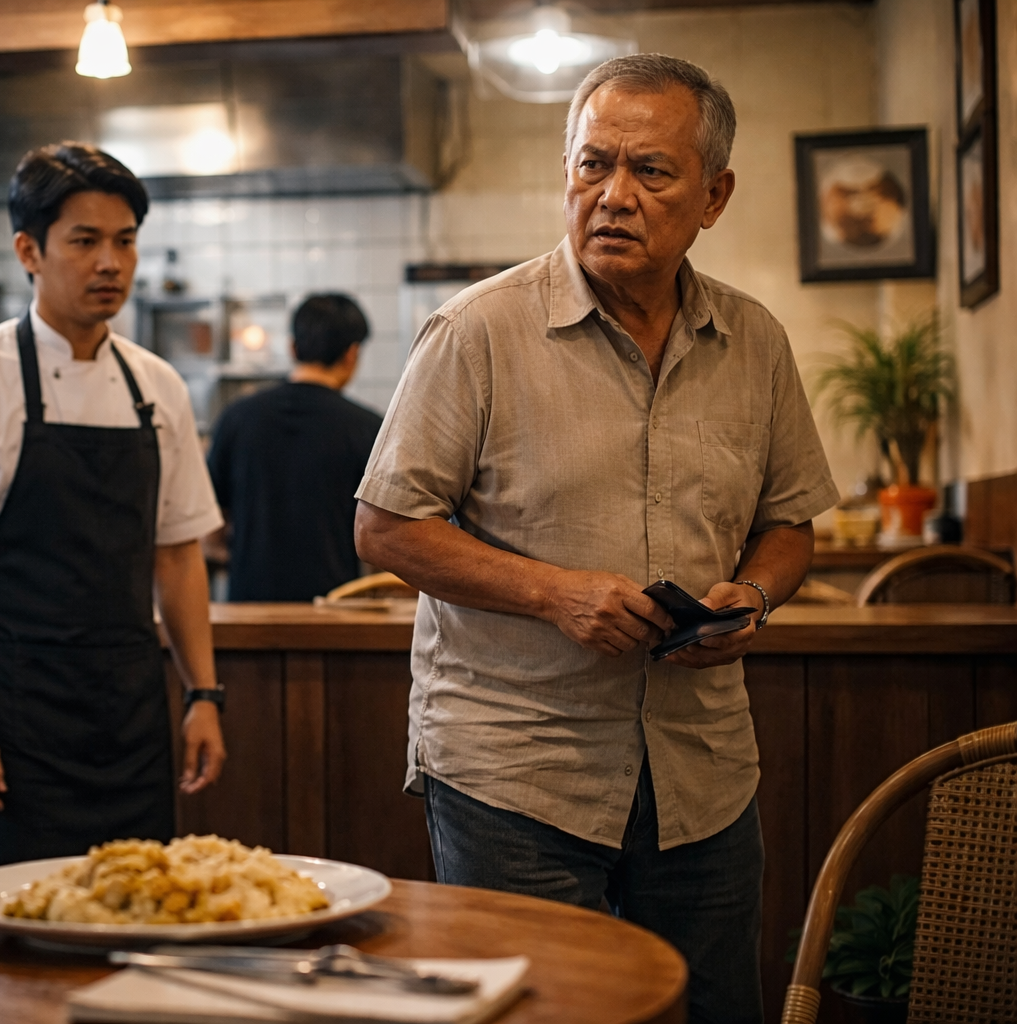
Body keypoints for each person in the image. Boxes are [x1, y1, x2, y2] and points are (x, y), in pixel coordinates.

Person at [353, 54, 837, 1024]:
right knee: (542, 1011)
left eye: (650, 171)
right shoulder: (478, 329)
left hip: (702, 765)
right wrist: (555, 593)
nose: (613, 195)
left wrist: (756, 593)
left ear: (715, 193)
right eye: (591, 165)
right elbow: (384, 527)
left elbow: (790, 522)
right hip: (517, 767)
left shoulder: (756, 340)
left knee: (713, 1009)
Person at [0, 143, 226, 868]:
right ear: (29, 250)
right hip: (7, 724)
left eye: (124, 242)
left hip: (130, 722)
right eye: (85, 241)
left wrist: (203, 694)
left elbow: (176, 556)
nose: (110, 262)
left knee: (139, 918)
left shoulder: (157, 387)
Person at [207, 294, 383, 601]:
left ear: (292, 348)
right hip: (334, 612)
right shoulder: (368, 428)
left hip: (249, 613)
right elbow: (380, 539)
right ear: (352, 354)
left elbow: (209, 533)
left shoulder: (236, 417)